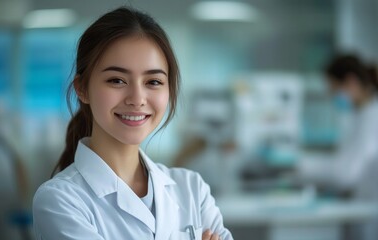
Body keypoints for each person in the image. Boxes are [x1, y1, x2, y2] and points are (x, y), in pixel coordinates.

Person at [32, 7, 233, 240]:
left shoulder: (192, 189)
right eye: (117, 80)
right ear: (82, 89)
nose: (137, 99)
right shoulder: (60, 200)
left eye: (153, 81)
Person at [298, 54, 378, 240]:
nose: (332, 96)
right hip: (366, 211)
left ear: (351, 81)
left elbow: (346, 173)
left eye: (333, 88)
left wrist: (299, 165)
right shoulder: (362, 115)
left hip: (376, 217)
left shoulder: (374, 117)